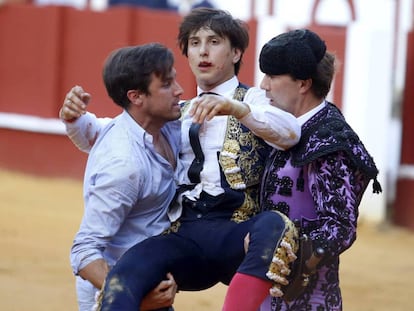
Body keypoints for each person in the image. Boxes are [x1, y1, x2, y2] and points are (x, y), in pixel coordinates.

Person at [60, 7, 302, 311]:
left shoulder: (251, 102)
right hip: (184, 235)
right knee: (130, 266)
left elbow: (290, 132)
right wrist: (75, 120)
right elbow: (112, 133)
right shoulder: (177, 112)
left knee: (273, 227)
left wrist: (235, 109)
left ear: (237, 52)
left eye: (214, 42)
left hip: (235, 233)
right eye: (195, 43)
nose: (203, 51)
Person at [253, 29, 382, 311]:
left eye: (273, 76)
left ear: (303, 84)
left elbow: (339, 227)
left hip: (307, 297)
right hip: (266, 288)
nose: (264, 85)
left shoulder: (329, 140)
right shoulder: (281, 128)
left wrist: (296, 260)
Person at [66, 43, 183, 311]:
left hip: (147, 280)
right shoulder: (125, 165)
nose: (179, 90)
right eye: (167, 84)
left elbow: (94, 130)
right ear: (137, 96)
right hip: (117, 293)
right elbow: (84, 252)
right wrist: (134, 299)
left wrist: (75, 121)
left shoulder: (164, 126)